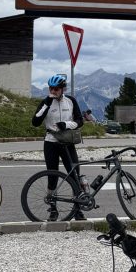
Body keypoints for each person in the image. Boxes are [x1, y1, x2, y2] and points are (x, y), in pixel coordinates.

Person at [32, 74, 87, 220]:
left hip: (67, 142)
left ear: (63, 89)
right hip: (51, 142)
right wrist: (47, 103)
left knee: (74, 174)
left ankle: (77, 209)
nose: (53, 91)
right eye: (51, 88)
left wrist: (67, 125)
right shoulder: (46, 102)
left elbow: (79, 120)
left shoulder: (71, 101)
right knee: (52, 176)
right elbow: (35, 121)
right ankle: (53, 209)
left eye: (56, 89)